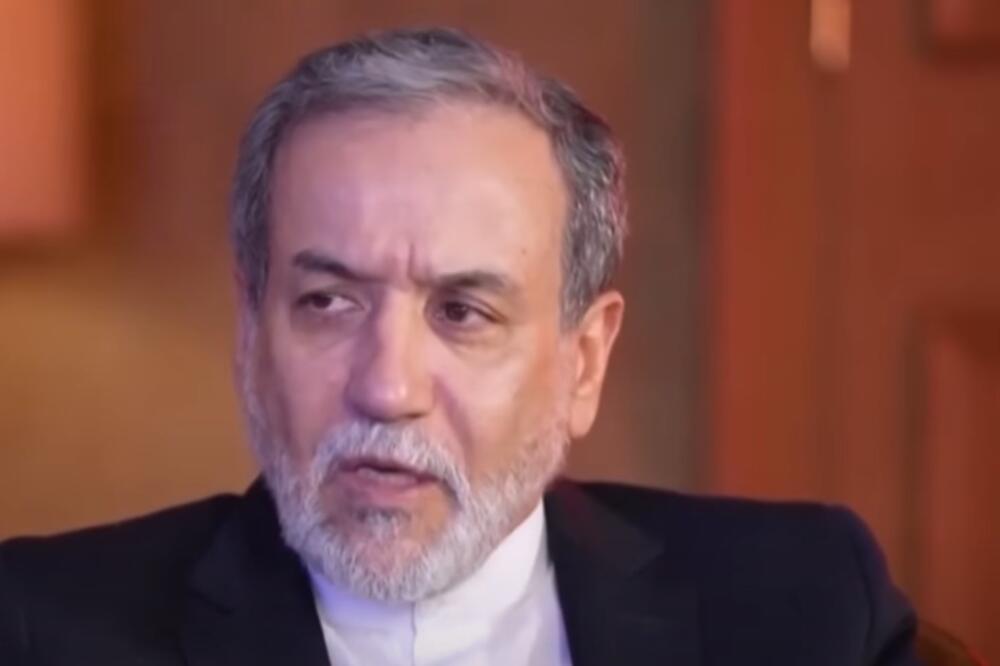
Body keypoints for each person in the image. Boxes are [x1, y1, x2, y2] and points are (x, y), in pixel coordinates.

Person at [0, 27, 919, 665]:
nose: (387, 387)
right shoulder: (41, 628)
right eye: (328, 302)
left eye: (462, 312)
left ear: (584, 362)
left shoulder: (803, 606)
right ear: (251, 332)